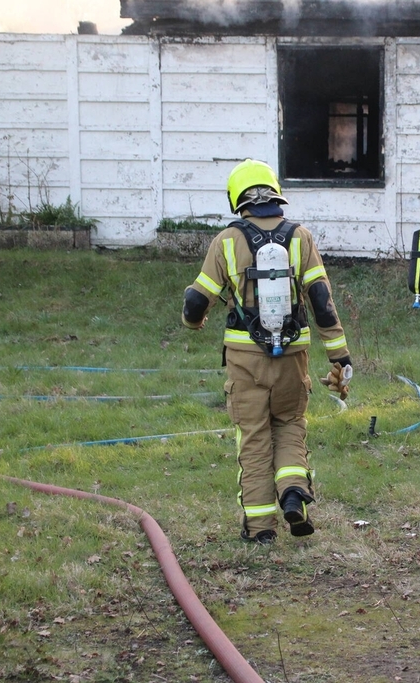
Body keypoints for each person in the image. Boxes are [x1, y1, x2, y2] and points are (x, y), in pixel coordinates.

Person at [181, 159, 351, 544]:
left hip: (245, 361)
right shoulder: (300, 237)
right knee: (290, 424)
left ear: (238, 199)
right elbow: (322, 301)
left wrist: (194, 323)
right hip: (293, 358)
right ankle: (293, 493)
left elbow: (195, 301)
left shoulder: (226, 240)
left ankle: (260, 530)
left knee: (254, 437)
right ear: (274, 194)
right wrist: (340, 356)